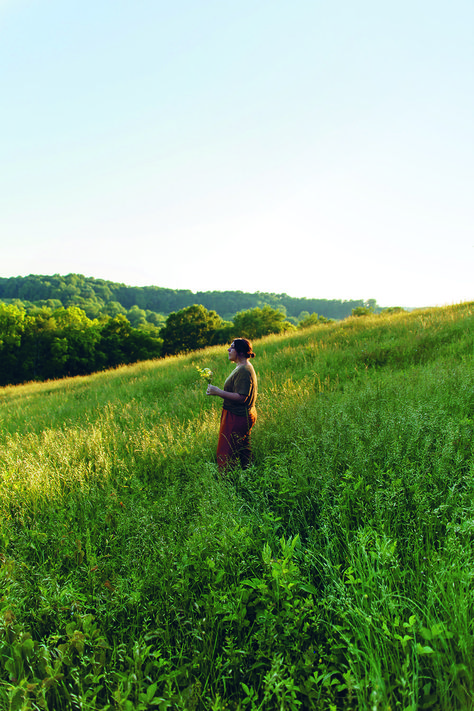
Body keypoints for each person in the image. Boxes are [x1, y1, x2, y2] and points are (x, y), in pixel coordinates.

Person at [206, 338, 258, 472]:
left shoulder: (244, 371)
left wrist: (218, 392)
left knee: (226, 452)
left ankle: (227, 482)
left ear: (240, 352)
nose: (228, 350)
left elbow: (242, 397)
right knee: (242, 450)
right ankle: (249, 475)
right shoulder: (241, 367)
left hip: (237, 417)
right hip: (240, 415)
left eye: (232, 347)